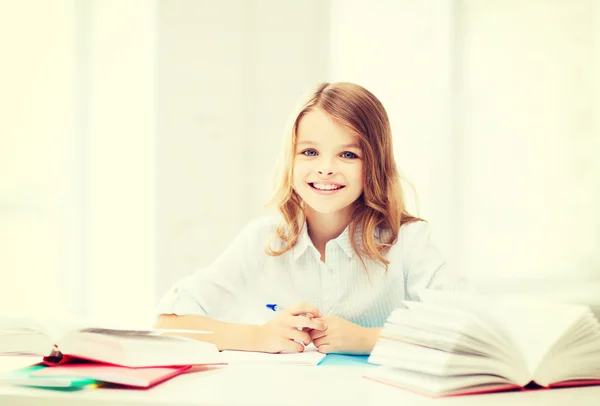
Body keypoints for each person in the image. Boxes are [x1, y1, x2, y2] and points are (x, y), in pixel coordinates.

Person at [155, 82, 455, 355]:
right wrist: (259, 337)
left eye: (348, 155)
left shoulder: (409, 241)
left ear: (375, 164)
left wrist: (368, 340)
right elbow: (169, 321)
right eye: (310, 152)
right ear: (291, 160)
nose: (325, 168)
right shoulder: (263, 240)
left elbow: (456, 331)